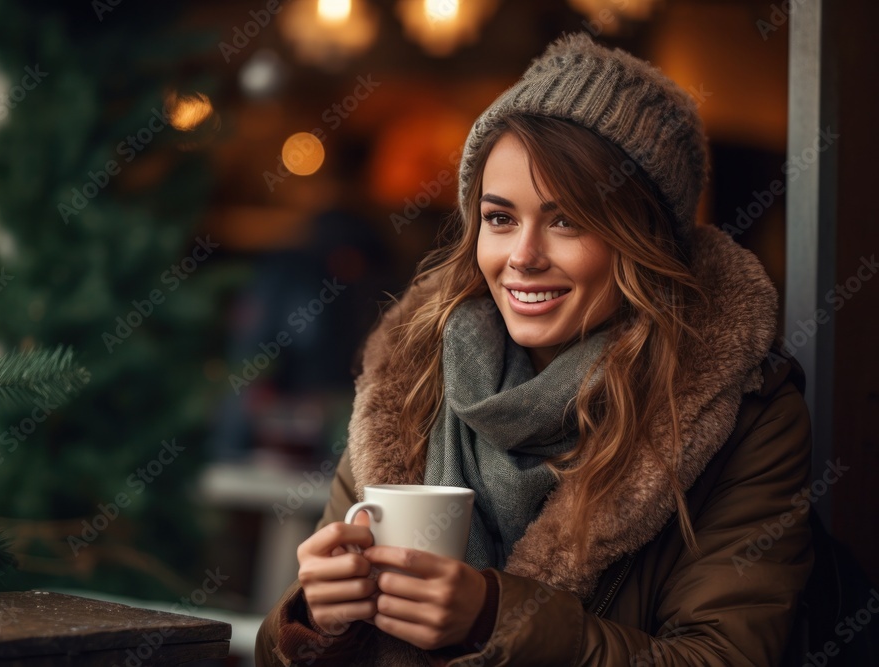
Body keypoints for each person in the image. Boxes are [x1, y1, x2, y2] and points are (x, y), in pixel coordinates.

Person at [255, 32, 813, 666]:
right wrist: (315, 619)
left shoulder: (745, 411)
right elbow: (291, 645)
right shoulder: (411, 376)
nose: (521, 257)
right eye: (500, 218)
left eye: (567, 220)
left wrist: (495, 620)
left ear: (643, 239)